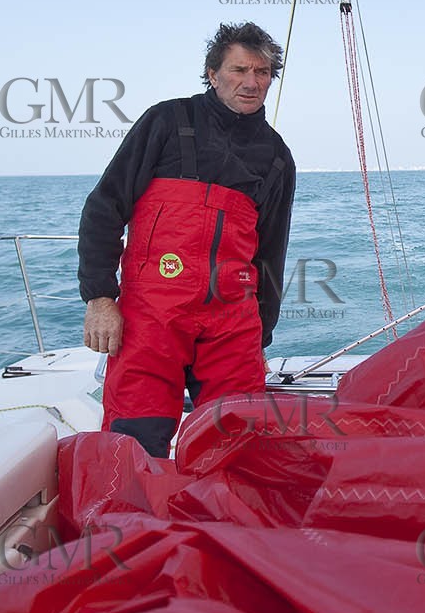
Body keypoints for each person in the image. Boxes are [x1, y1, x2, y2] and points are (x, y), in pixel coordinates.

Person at [78, 23, 296, 457]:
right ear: (212, 73)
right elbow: (105, 207)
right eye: (239, 70)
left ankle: (222, 521)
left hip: (233, 320)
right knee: (134, 442)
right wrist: (100, 298)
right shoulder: (167, 120)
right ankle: (132, 522)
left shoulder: (277, 156)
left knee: (240, 446)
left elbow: (270, 251)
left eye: (262, 72)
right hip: (152, 314)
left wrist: (261, 336)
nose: (251, 82)